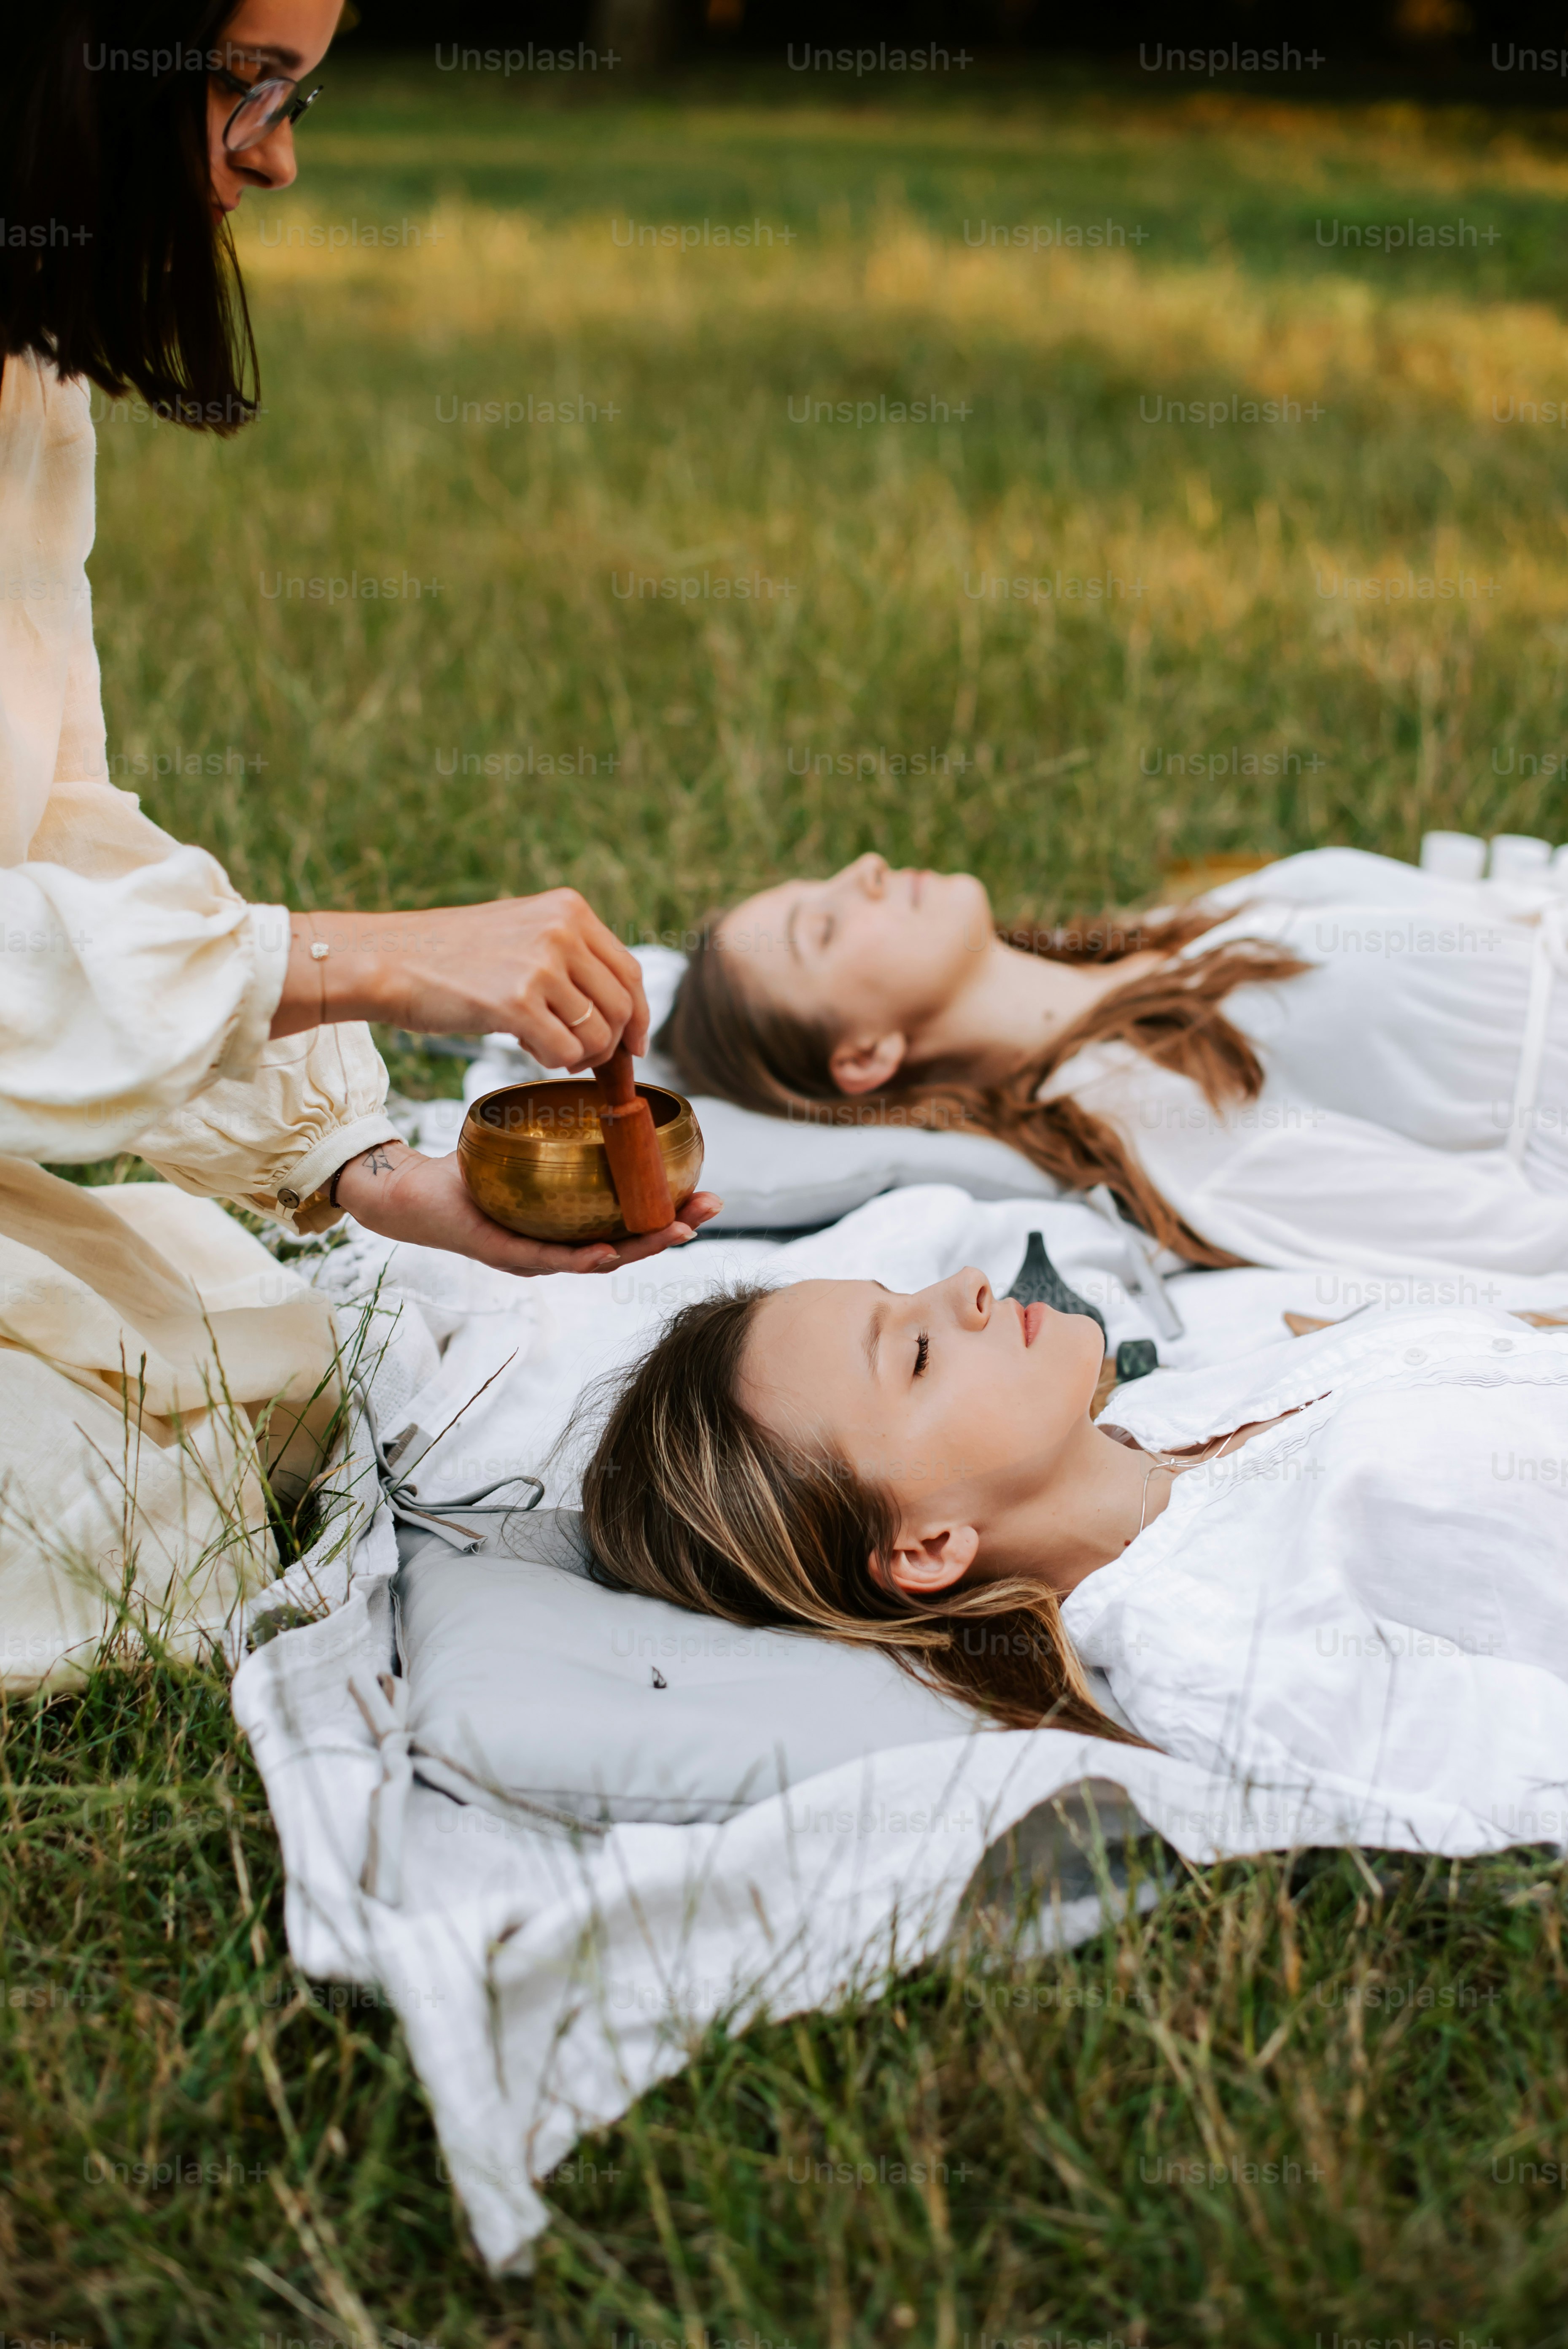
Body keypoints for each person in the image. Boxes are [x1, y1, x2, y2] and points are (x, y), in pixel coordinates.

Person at [0, 0, 715, 1686]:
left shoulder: (27, 370)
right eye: (247, 81)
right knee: (115, 1513)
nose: (278, 153)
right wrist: (362, 955)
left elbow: (54, 839)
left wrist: (367, 1176)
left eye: (298, 91)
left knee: (258, 1364)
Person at [582, 1268, 1568, 1826]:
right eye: (915, 1352)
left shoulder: (1170, 1406)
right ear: (927, 1545)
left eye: (905, 1290)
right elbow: (1519, 1767)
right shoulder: (1218, 1648)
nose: (965, 1285)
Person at [657, 844, 1568, 1279]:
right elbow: (1502, 1243)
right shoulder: (1152, 1106)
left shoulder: (1165, 942)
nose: (860, 868)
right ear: (864, 1054)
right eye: (822, 926)